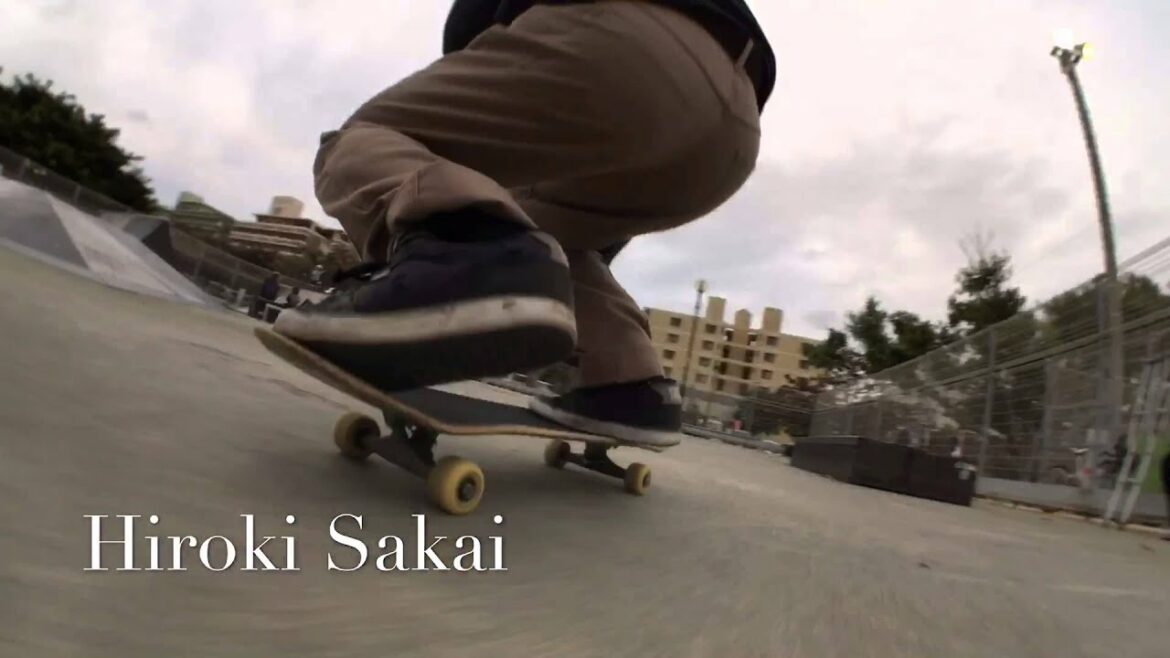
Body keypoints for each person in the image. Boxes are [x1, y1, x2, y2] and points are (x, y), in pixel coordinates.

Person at [273, 0, 775, 447]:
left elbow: (463, 127)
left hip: (623, 38)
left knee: (366, 139)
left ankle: (463, 257)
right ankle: (628, 380)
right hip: (731, 138)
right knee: (534, 229)